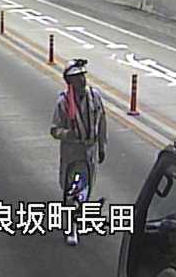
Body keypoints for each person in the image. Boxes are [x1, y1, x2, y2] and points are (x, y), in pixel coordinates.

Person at [50, 58, 108, 245]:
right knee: (73, 191)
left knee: (86, 188)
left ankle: (81, 216)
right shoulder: (64, 102)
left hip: (90, 151)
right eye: (77, 77)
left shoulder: (94, 97)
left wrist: (102, 145)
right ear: (70, 81)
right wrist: (69, 134)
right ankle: (72, 228)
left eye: (83, 76)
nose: (82, 80)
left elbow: (102, 121)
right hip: (73, 152)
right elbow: (55, 130)